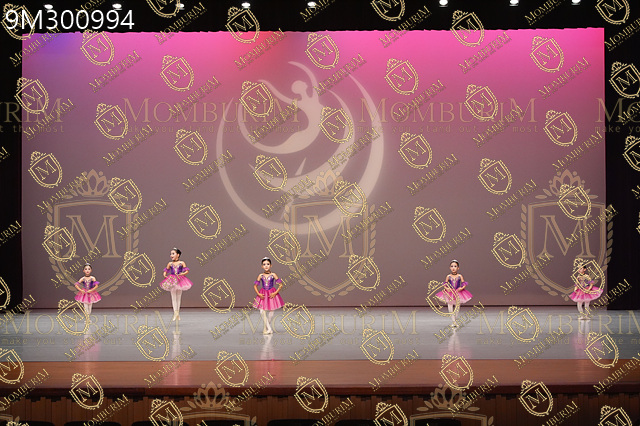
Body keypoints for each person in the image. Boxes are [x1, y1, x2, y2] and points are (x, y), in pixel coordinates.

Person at [435, 260, 473, 328]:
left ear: (458, 268)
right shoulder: (448, 276)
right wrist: (446, 288)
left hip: (458, 292)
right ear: (450, 267)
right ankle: (454, 322)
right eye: (452, 266)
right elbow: (445, 284)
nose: (453, 268)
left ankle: (454, 321)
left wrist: (461, 288)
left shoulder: (460, 276)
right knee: (450, 306)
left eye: (455, 266)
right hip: (450, 292)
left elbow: (464, 283)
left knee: (457, 307)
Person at [159, 248, 193, 321]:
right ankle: (175, 313)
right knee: (173, 297)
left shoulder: (182, 263)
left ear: (178, 255)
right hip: (172, 279)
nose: (171, 255)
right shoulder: (170, 263)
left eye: (173, 253)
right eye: (171, 254)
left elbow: (186, 270)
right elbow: (166, 270)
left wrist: (182, 274)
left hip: (180, 280)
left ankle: (177, 313)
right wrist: (164, 274)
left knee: (178, 297)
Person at [253, 257, 284, 334]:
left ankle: (266, 328)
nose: (266, 266)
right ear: (262, 266)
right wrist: (258, 294)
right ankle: (269, 329)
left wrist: (275, 293)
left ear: (271, 265)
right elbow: (255, 286)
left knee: (271, 311)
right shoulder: (260, 275)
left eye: (268, 264)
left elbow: (280, 285)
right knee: (261, 311)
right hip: (263, 293)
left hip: (271, 293)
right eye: (264, 264)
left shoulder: (273, 274)